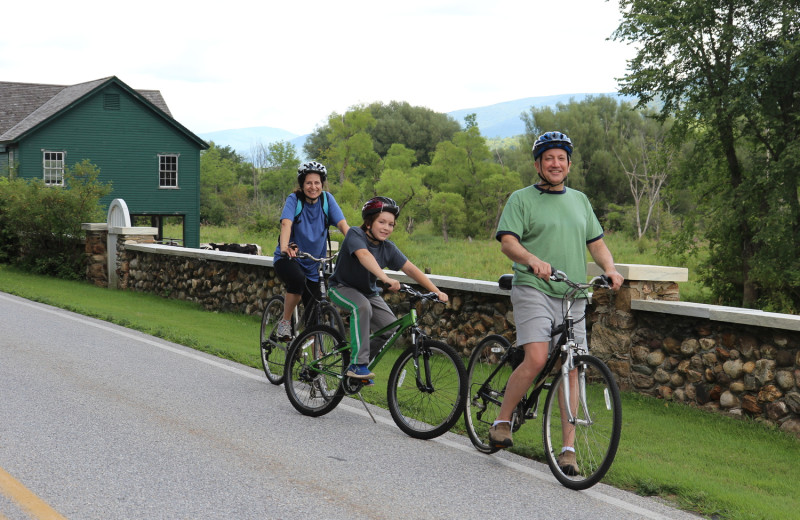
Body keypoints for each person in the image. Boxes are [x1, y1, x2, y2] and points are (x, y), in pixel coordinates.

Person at [489, 131, 624, 474]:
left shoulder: (580, 200)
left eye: (561, 158)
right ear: (538, 164)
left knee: (572, 368)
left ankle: (568, 450)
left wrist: (610, 269)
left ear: (569, 164)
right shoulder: (521, 199)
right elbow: (507, 242)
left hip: (573, 295)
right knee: (535, 358)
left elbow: (596, 244)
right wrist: (531, 259)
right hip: (534, 288)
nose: (555, 163)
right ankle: (501, 422)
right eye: (548, 158)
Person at [328, 196, 448, 383]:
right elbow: (364, 255)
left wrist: (436, 291)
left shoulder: (388, 248)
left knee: (390, 327)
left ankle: (360, 366)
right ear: (368, 222)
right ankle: (357, 365)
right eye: (381, 222)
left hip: (368, 292)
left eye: (391, 224)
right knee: (362, 307)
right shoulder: (354, 234)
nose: (387, 228)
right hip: (341, 287)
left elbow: (410, 269)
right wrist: (384, 278)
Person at [272, 161, 349, 340]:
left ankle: (317, 360)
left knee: (315, 316)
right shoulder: (294, 200)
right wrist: (284, 247)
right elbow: (286, 223)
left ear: (322, 184)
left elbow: (343, 225)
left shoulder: (327, 200)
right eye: (308, 183)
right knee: (297, 280)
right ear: (302, 184)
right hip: (289, 258)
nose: (313, 187)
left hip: (314, 265)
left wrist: (357, 248)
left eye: (317, 183)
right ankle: (285, 323)